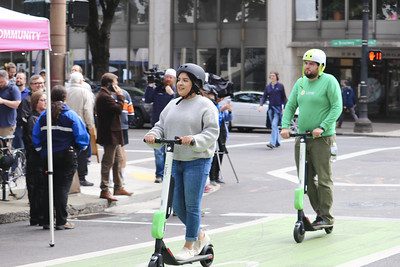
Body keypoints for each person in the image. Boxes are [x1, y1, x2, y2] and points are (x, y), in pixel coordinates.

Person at [144, 63, 219, 261]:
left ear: (195, 83)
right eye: (179, 80)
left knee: (192, 205)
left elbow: (212, 132)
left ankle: (190, 245)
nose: (180, 83)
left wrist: (193, 139)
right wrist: (153, 134)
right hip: (176, 160)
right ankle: (201, 236)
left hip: (197, 160)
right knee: (178, 206)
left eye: (185, 80)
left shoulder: (206, 105)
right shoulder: (173, 103)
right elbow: (161, 125)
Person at [280, 49, 342, 228]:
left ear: (320, 66)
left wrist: (322, 127)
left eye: (312, 63)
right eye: (306, 63)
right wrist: (285, 126)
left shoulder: (329, 81)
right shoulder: (300, 83)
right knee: (304, 180)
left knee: (324, 179)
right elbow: (290, 106)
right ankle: (320, 215)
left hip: (322, 138)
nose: (308, 66)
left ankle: (327, 217)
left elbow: (337, 107)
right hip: (302, 138)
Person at [32, 85, 90, 230]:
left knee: (48, 188)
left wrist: (42, 151)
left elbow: (36, 136)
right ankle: (61, 221)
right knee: (62, 189)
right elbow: (83, 137)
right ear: (65, 97)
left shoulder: (44, 116)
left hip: (48, 156)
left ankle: (46, 220)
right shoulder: (71, 115)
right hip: (66, 156)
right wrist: (77, 150)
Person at [95, 73, 133, 201]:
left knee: (117, 160)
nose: (117, 86)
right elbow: (118, 109)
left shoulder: (106, 95)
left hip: (113, 133)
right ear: (109, 84)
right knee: (108, 161)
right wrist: (120, 96)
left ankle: (118, 187)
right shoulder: (104, 96)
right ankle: (104, 189)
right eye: (115, 83)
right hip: (109, 134)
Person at [144, 68, 176, 183]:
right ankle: (159, 175)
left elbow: (179, 102)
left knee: (170, 151)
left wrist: (172, 94)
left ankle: (170, 174)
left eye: (170, 77)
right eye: (166, 77)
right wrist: (150, 86)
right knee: (158, 151)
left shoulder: (176, 90)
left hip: (171, 125)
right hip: (157, 123)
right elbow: (148, 99)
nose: (167, 79)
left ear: (174, 79)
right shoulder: (158, 89)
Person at [66, 72, 95, 186]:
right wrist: (91, 125)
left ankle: (71, 175)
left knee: (69, 150)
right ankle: (81, 177)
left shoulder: (66, 91)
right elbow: (88, 111)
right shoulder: (84, 92)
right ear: (80, 81)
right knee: (82, 151)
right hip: (81, 125)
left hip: (67, 125)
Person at [200, 83, 232, 187]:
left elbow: (227, 119)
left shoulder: (217, 105)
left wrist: (229, 112)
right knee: (213, 154)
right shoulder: (210, 104)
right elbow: (213, 118)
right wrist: (221, 110)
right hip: (213, 131)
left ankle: (217, 176)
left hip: (222, 132)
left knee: (221, 152)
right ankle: (212, 177)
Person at [24, 90, 47, 226]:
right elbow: (33, 140)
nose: (45, 102)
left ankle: (39, 215)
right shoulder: (33, 119)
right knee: (36, 188)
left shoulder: (42, 117)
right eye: (42, 100)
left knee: (40, 188)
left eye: (45, 99)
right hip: (35, 158)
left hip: (39, 158)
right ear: (35, 102)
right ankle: (36, 216)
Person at [258, 71, 287, 149]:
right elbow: (264, 97)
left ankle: (272, 143)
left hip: (278, 109)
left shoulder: (280, 86)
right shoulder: (268, 87)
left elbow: (284, 98)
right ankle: (277, 142)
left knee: (274, 125)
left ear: (277, 77)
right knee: (274, 126)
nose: (272, 77)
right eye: (270, 76)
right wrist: (261, 105)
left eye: (273, 76)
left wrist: (284, 107)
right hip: (271, 109)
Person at [0, 70, 21, 138]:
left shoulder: (13, 88)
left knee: (5, 147)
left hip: (7, 125)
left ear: (7, 78)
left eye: (1, 82)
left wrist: (3, 101)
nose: (0, 83)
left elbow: (18, 104)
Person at [13, 72, 30, 149]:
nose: (18, 80)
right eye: (17, 78)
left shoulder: (28, 94)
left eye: (20, 78)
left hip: (24, 124)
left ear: (25, 81)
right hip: (13, 123)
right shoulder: (11, 92)